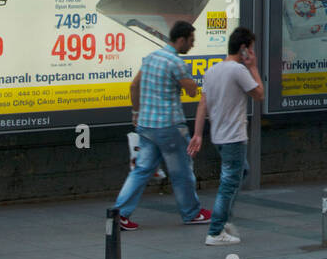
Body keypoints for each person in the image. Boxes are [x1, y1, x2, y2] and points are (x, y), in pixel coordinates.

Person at [113, 20, 212, 229]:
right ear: (181, 39)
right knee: (182, 171)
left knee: (141, 169)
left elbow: (134, 86)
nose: (192, 45)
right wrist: (196, 81)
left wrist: (136, 112)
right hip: (169, 127)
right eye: (191, 41)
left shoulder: (150, 58)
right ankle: (192, 213)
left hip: (146, 126)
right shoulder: (176, 63)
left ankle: (119, 214)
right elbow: (192, 90)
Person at [190, 25, 264, 246]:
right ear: (243, 49)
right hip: (234, 137)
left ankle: (223, 222)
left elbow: (202, 104)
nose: (252, 53)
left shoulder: (213, 70)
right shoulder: (238, 71)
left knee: (241, 171)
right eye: (251, 49)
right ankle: (216, 231)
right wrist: (254, 67)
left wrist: (197, 134)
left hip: (219, 136)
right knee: (228, 183)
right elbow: (260, 94)